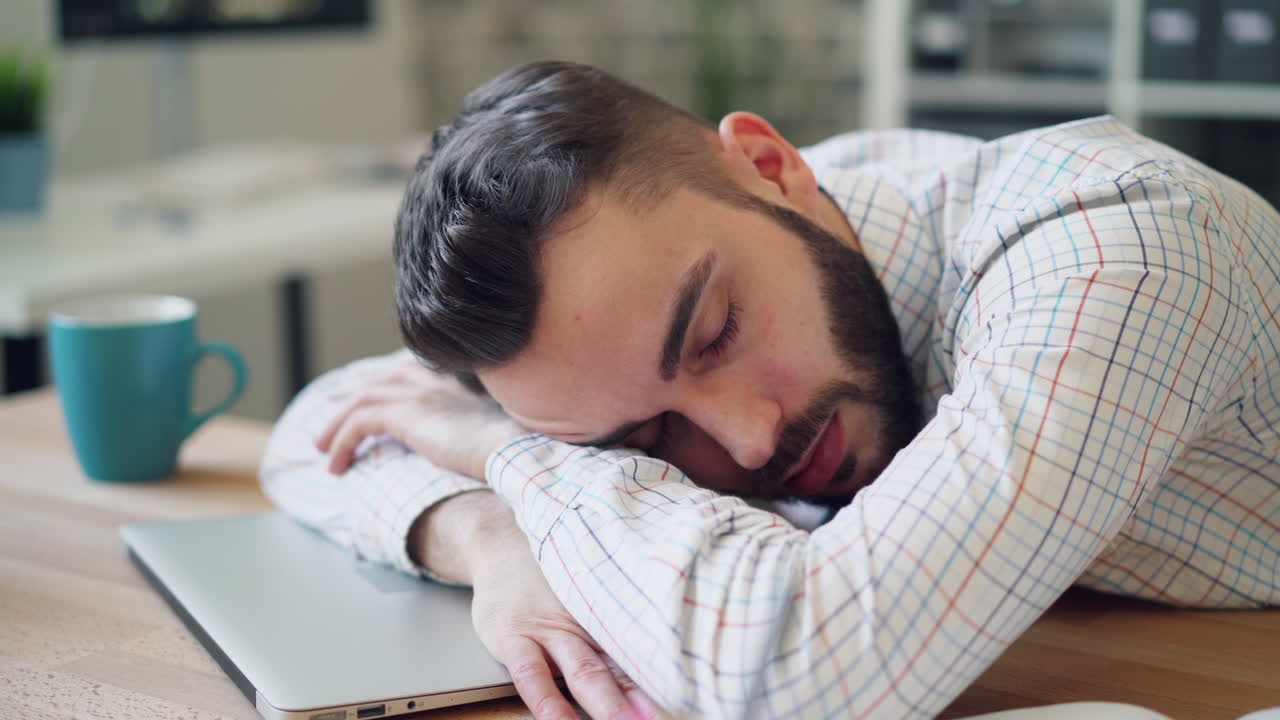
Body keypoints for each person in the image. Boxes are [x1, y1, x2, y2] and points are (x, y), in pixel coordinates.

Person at [261, 60, 1280, 720]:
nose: (748, 446)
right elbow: (321, 429)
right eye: (646, 433)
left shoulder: (1118, 247)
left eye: (716, 332)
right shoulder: (703, 246)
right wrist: (488, 535)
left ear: (767, 163)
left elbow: (802, 674)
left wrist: (515, 458)